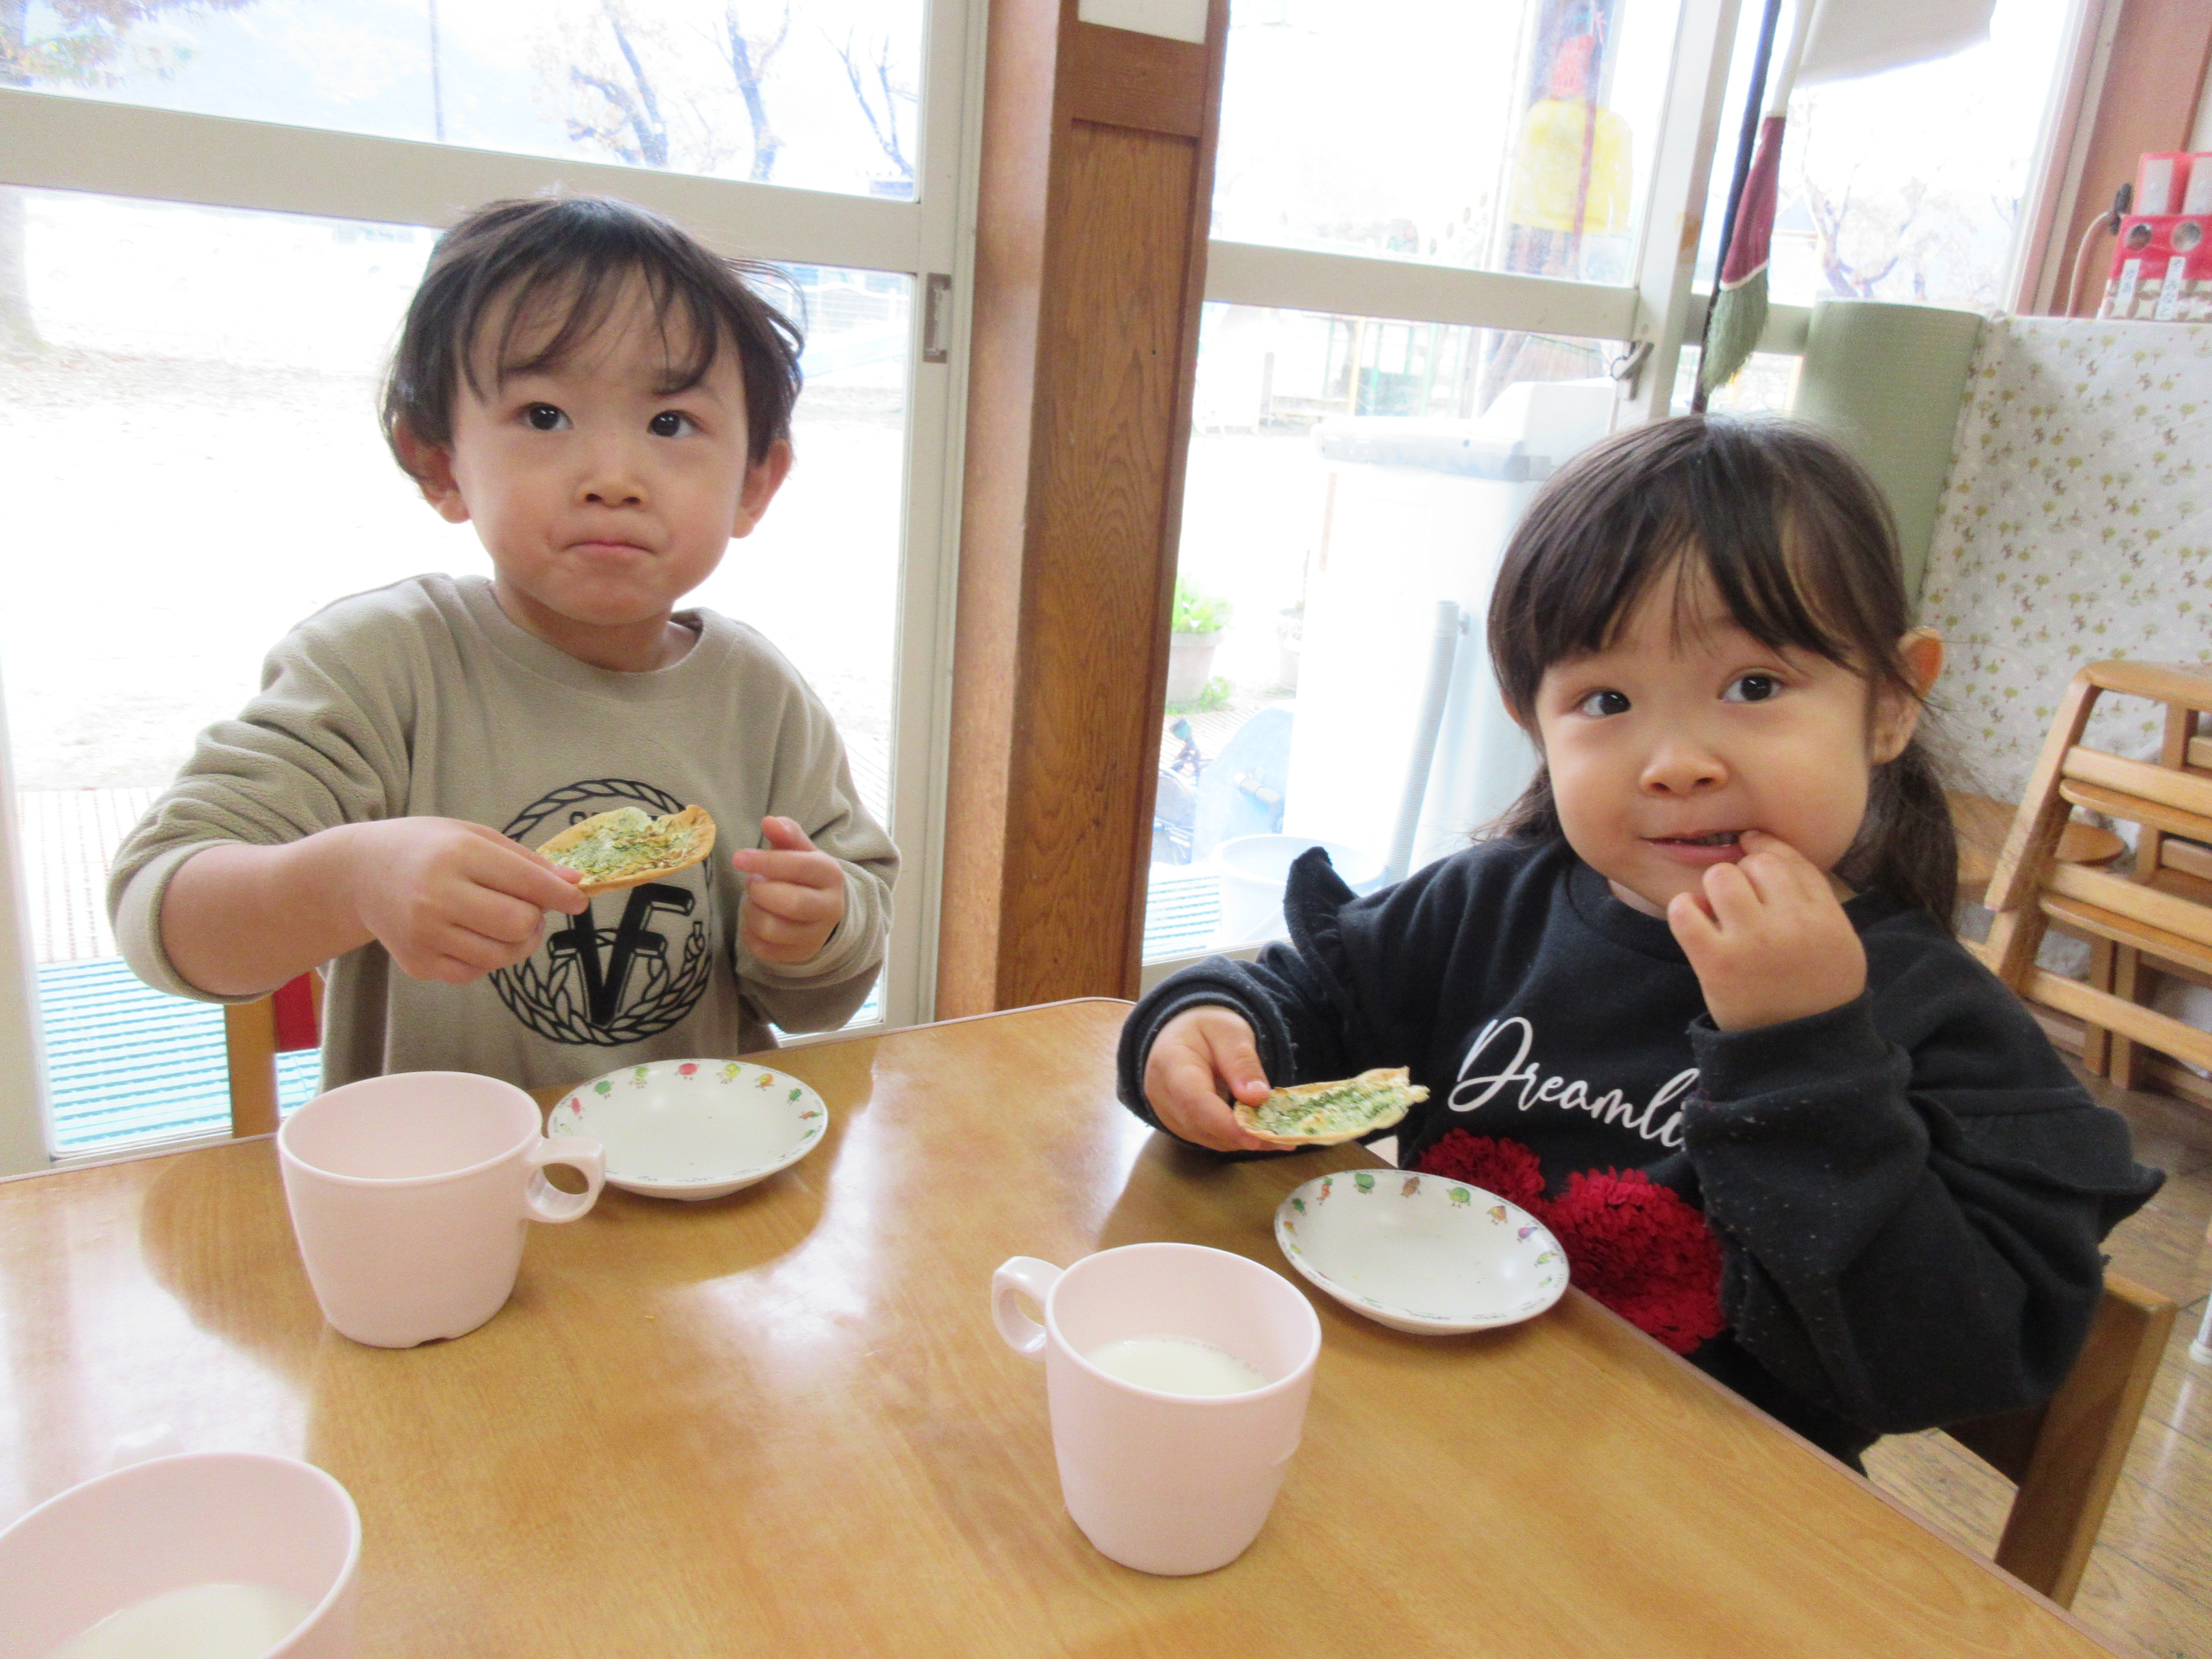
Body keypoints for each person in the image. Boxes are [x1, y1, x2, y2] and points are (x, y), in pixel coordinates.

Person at [1118, 415, 2160, 1463]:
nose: (1676, 762)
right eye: (1606, 700)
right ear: (1535, 722)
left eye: (1755, 686)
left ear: (1890, 703)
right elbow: (1310, 1007)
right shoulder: (1486, 909)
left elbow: (1953, 1360)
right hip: (1430, 1437)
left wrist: (1804, 1049)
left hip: (1697, 1507)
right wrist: (1213, 1030)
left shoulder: (1932, 1015)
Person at [110, 195, 897, 1093]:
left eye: (670, 424)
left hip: (698, 1167)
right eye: (545, 416)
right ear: (440, 461)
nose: (613, 479)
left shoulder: (762, 697)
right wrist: (352, 881)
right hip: (441, 1173)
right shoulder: (379, 667)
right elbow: (159, 914)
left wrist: (817, 931)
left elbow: (824, 1000)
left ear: (756, 481)